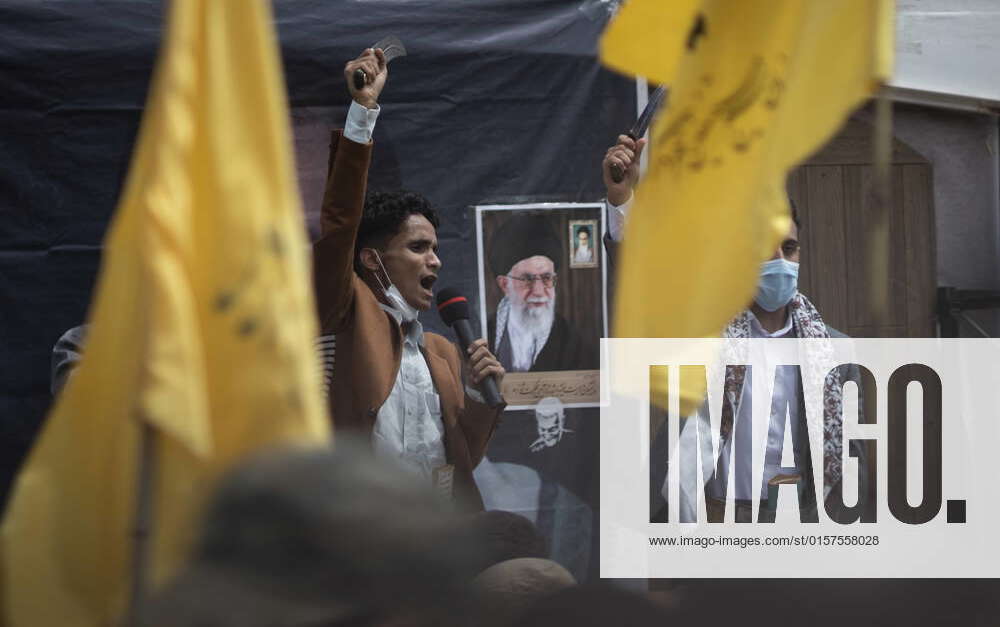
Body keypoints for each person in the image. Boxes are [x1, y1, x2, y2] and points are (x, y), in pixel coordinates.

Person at [602, 134, 868, 523]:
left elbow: (850, 461)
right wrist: (624, 199)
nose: (780, 262)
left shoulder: (835, 350)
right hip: (711, 526)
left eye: (789, 248)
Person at [312, 48, 505, 509]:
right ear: (373, 260)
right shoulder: (344, 312)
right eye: (419, 247)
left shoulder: (441, 351)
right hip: (357, 543)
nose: (435, 261)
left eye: (436, 249)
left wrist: (482, 395)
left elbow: (462, 462)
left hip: (436, 548)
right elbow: (340, 225)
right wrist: (362, 114)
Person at [486, 216, 597, 372]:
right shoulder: (484, 337)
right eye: (526, 279)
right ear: (505, 284)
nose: (538, 291)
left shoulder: (574, 345)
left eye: (546, 278)